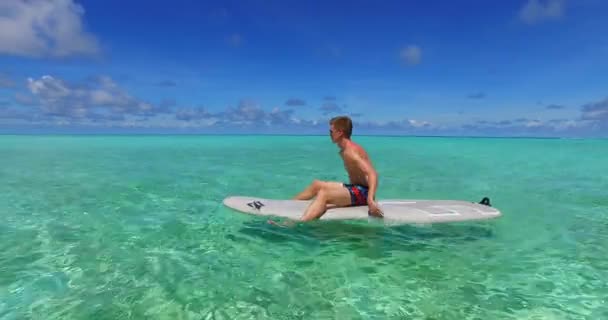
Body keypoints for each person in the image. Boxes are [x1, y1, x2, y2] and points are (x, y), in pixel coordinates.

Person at [269, 116, 383, 226]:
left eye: (331, 131)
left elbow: (372, 173)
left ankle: (297, 223)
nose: (329, 134)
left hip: (363, 193)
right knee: (316, 185)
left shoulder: (351, 151)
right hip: (355, 188)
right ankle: (285, 206)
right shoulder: (345, 149)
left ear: (340, 132)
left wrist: (370, 200)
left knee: (324, 194)